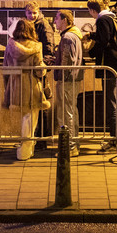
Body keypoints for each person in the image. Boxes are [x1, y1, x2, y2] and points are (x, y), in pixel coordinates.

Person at [2, 18, 51, 160]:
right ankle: (24, 151)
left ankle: (27, 149)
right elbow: (39, 71)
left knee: (25, 117)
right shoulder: (36, 46)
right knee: (31, 118)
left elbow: (6, 68)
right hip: (31, 84)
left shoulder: (10, 45)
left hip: (15, 84)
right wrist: (43, 69)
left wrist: (8, 87)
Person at [87, 0, 117, 153]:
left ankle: (114, 139)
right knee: (115, 100)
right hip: (116, 65)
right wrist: (92, 35)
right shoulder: (112, 17)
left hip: (109, 66)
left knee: (112, 103)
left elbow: (103, 42)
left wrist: (91, 53)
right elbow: (107, 38)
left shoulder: (103, 20)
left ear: (93, 10)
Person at [52, 9, 85, 152]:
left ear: (64, 20)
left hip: (67, 80)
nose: (55, 22)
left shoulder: (68, 37)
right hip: (73, 79)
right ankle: (73, 143)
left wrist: (61, 76)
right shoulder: (74, 35)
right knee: (71, 111)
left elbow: (67, 62)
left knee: (66, 114)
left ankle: (69, 147)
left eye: (57, 19)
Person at [26, 1, 58, 144]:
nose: (32, 15)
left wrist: (42, 67)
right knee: (35, 102)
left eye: (34, 13)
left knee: (42, 101)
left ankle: (43, 137)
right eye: (29, 13)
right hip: (31, 68)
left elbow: (49, 48)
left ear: (38, 12)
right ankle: (35, 135)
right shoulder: (28, 24)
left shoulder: (43, 25)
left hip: (39, 69)